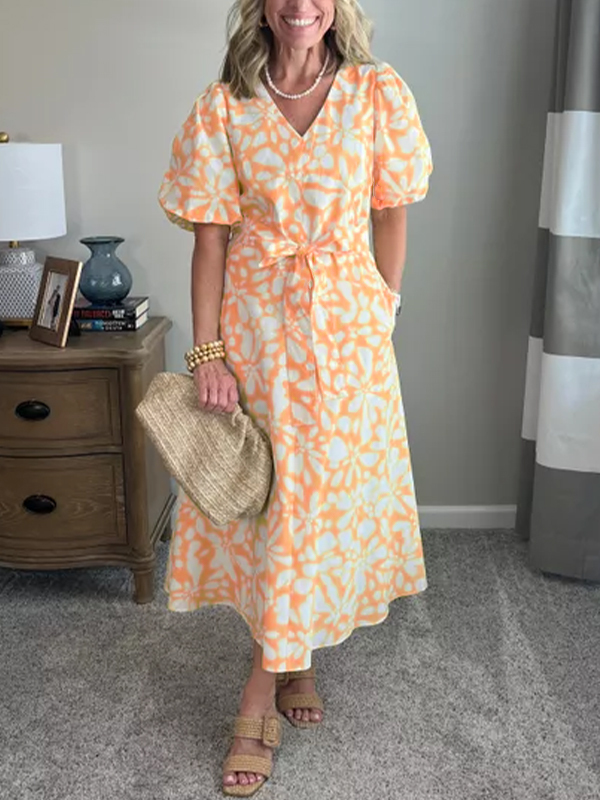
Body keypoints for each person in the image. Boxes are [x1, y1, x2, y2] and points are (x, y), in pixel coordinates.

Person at [159, 0, 433, 795]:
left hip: (347, 335)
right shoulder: (225, 106)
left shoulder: (378, 93)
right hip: (257, 333)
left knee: (317, 503)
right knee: (276, 503)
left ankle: (280, 669)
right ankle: (273, 678)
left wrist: (384, 308)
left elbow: (391, 212)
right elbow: (210, 239)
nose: (301, 5)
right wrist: (208, 352)